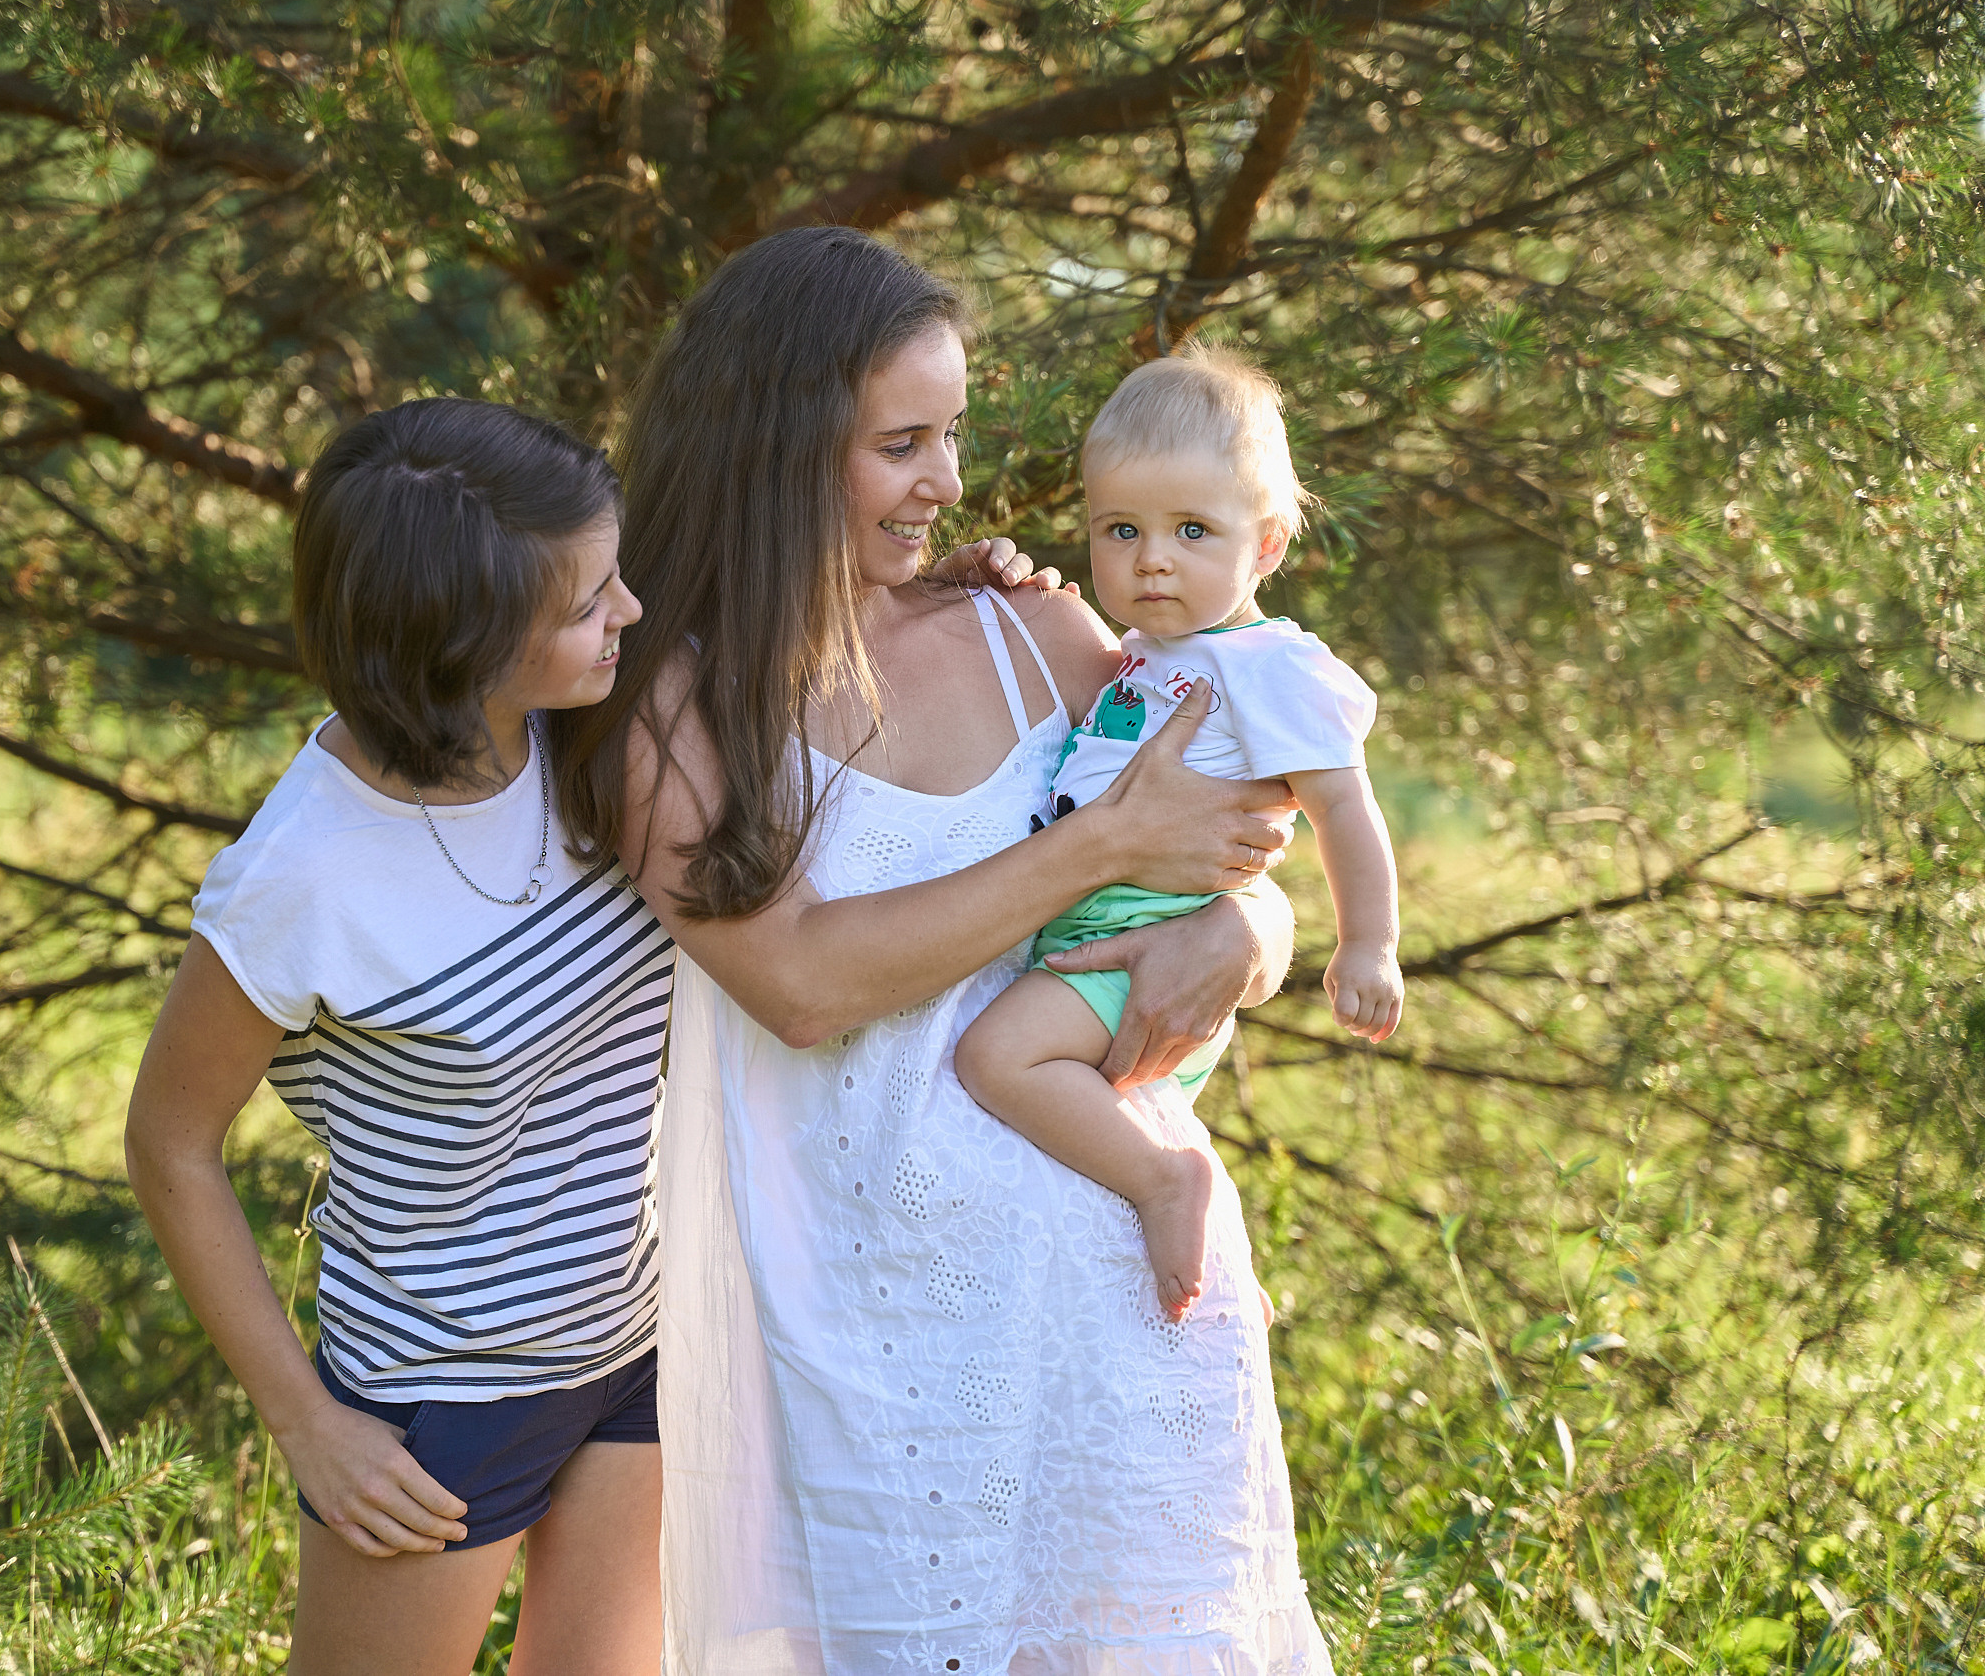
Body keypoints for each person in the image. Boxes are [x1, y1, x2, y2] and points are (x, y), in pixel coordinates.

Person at [123, 395, 1058, 1676]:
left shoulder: (598, 735)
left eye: (616, 577)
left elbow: (797, 629)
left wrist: (938, 586)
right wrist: (305, 1424)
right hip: (434, 1397)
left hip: (640, 1347)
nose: (628, 612)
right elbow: (170, 1143)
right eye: (586, 604)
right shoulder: (303, 877)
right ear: (456, 643)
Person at [555, 226, 1334, 1674]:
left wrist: (1254, 927)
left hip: (1121, 1288)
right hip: (878, 1348)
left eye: (952, 433)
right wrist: (1095, 849)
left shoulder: (1034, 625)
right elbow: (798, 982)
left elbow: (1228, 826)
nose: (951, 482)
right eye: (902, 441)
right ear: (778, 444)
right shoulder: (678, 705)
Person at [954, 347, 1404, 1323]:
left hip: (1152, 931)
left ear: (1268, 544)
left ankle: (1169, 1183)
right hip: (1093, 930)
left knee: (997, 1061)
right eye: (1122, 529)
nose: (1150, 557)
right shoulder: (1145, 656)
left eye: (1192, 530)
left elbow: (1344, 805)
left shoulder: (1269, 668)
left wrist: (1368, 945)